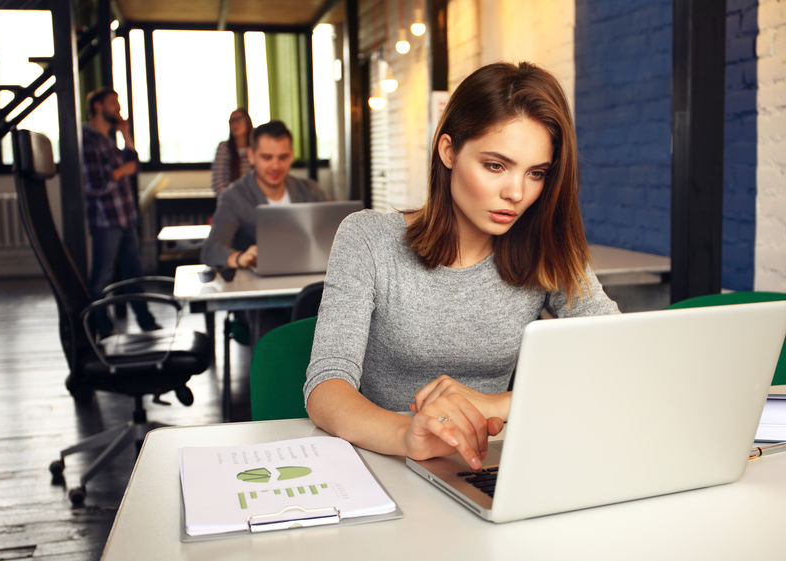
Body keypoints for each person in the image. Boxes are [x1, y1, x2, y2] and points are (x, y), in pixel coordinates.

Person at [303, 62, 620, 472]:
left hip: (492, 465)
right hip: (384, 463)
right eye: (495, 166)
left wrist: (495, 403)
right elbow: (326, 388)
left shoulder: (547, 248)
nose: (517, 193)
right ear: (449, 151)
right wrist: (408, 435)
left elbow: (617, 357)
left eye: (536, 173)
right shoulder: (368, 238)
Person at [82, 86, 159, 337]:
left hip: (124, 218)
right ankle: (102, 326)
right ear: (98, 106)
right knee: (101, 276)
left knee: (133, 274)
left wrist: (126, 135)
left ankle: (145, 320)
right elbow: (95, 186)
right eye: (113, 103)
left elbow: (133, 163)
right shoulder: (88, 140)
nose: (118, 108)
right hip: (106, 221)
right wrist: (119, 173)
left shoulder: (107, 141)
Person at [200, 120, 327, 270]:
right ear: (251, 156)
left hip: (308, 277)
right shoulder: (234, 196)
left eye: (283, 157)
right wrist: (240, 257)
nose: (275, 166)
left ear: (291, 156)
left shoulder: (310, 190)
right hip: (257, 287)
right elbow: (211, 249)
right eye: (267, 157)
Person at [211, 108, 255, 196]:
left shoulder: (256, 148)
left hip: (255, 200)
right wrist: (234, 199)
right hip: (231, 201)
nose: (235, 124)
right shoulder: (224, 148)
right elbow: (218, 184)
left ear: (248, 122)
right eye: (232, 121)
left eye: (239, 120)